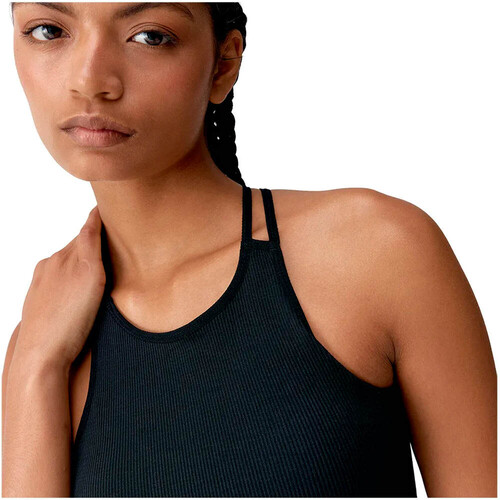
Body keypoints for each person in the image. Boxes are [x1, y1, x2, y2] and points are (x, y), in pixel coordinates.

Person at [2, 2, 496, 498]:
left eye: (150, 36)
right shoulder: (46, 334)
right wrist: (35, 365)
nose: (90, 81)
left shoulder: (375, 254)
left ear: (224, 64)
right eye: (48, 30)